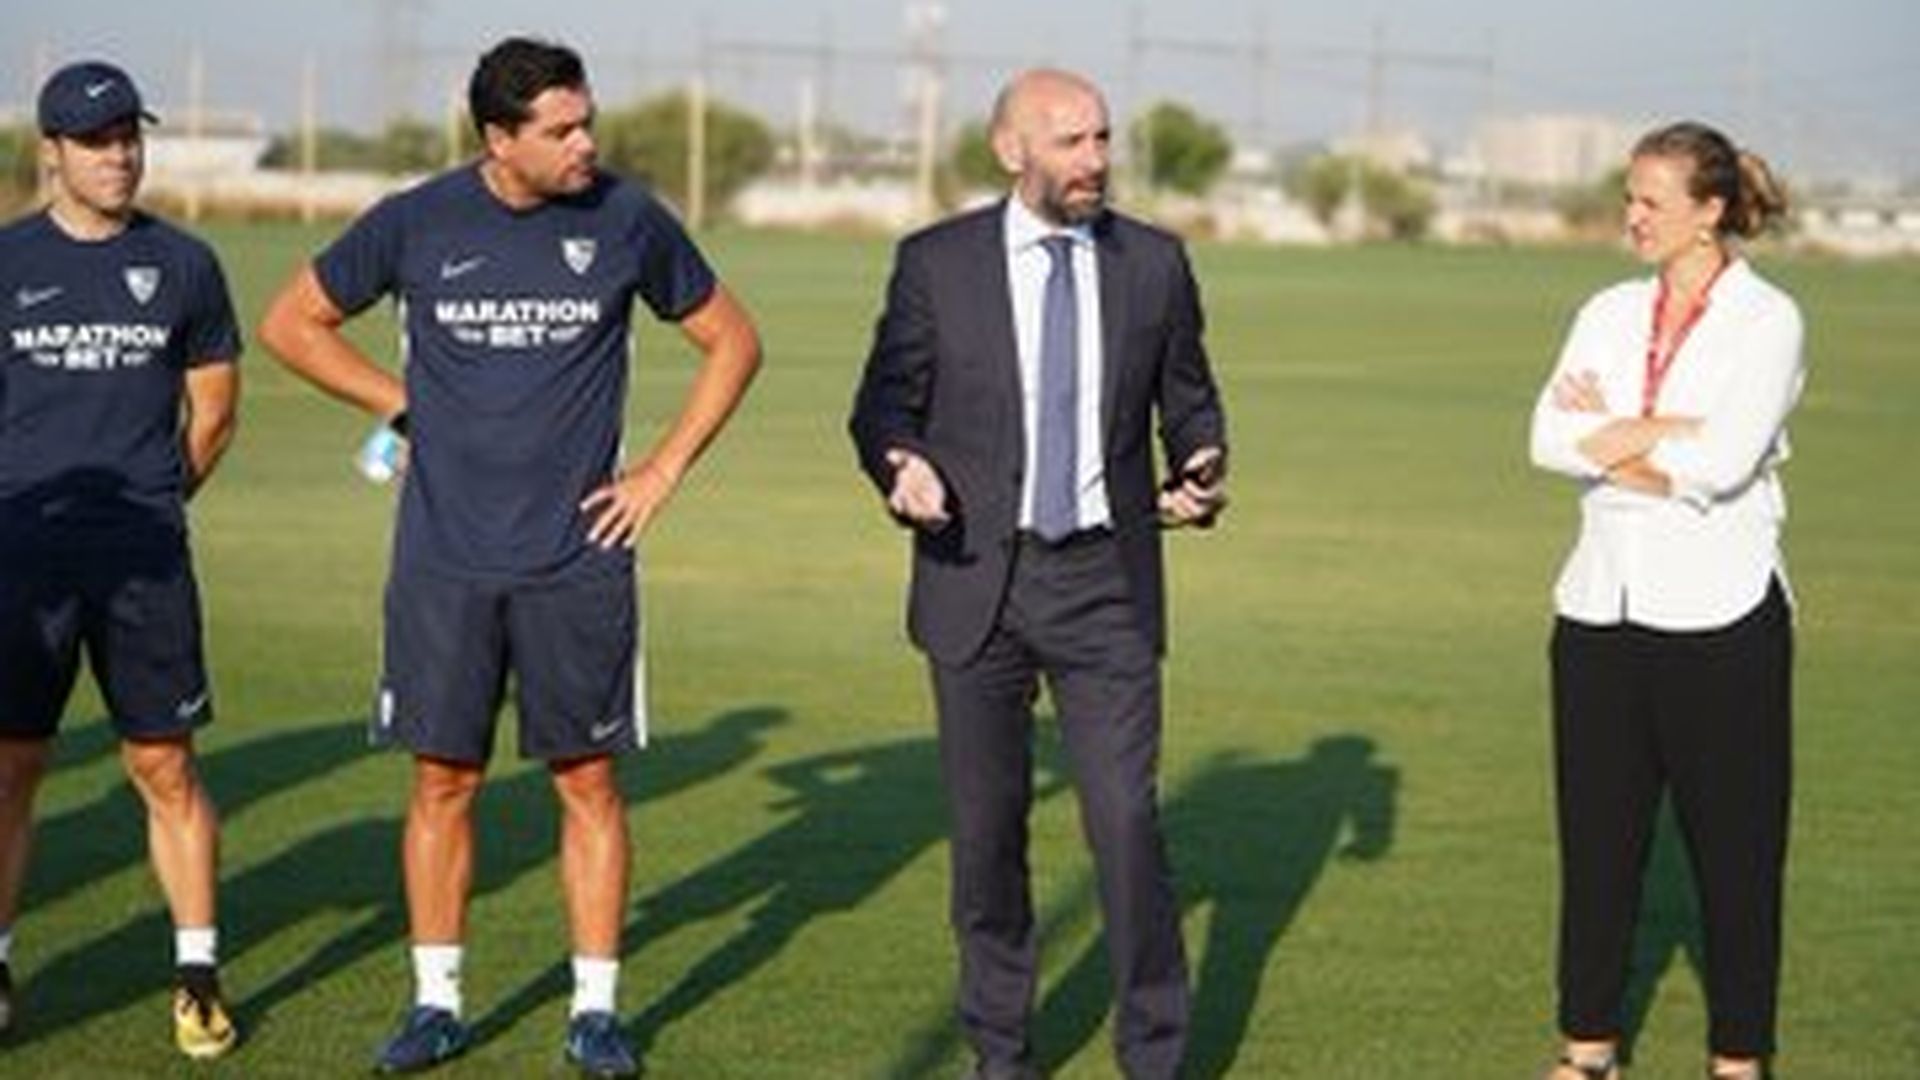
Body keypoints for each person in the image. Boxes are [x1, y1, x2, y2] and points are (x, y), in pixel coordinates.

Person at [257, 37, 761, 1077]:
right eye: (561, 130)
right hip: (442, 559)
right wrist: (401, 404)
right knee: (443, 781)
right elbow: (292, 323)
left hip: (579, 558)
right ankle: (435, 1004)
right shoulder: (416, 220)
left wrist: (661, 471)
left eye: (587, 122)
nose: (586, 144)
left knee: (588, 782)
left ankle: (596, 1013)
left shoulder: (626, 218)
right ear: (499, 138)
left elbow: (734, 341)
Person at [849, 68, 1227, 1080]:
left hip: (1106, 583)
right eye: (1070, 141)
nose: (1095, 159)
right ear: (1011, 150)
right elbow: (882, 405)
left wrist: (1201, 459)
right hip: (976, 578)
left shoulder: (1155, 263)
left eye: (1102, 137)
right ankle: (1001, 1054)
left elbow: (1189, 398)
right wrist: (901, 462)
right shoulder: (935, 265)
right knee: (986, 839)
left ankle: (1155, 1056)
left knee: (1125, 822)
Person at [1529, 121, 1802, 1080]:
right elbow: (1545, 438)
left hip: (1721, 619)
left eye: (1652, 201)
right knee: (1597, 851)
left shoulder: (1768, 320)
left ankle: (1738, 1060)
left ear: (1709, 211)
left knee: (1735, 859)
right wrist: (1664, 430)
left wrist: (1612, 435)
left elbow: (1723, 466)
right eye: (1629, 196)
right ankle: (1588, 1051)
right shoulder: (1607, 310)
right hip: (1598, 614)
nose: (1632, 216)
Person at [0, 60, 242, 1059]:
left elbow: (214, 410)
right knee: (12, 765)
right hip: (21, 558)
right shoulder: (7, 262)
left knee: (164, 763)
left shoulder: (185, 264)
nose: (119, 157)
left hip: (145, 561)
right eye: (96, 142)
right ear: (52, 152)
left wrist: (153, 504)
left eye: (129, 138)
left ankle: (198, 976)